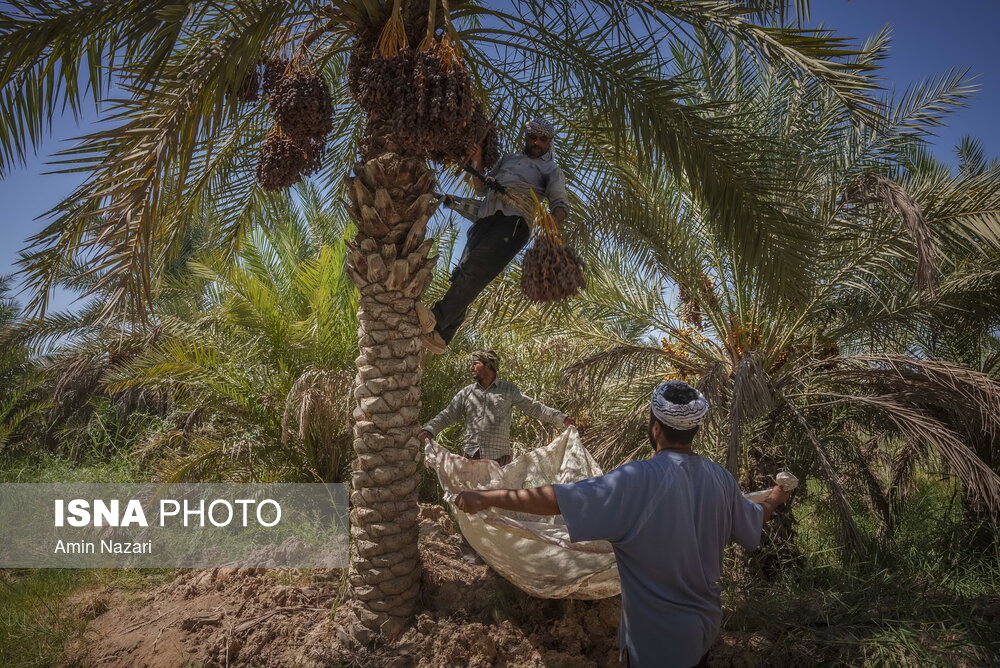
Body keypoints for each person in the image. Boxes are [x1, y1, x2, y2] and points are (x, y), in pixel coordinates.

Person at [454, 380, 791, 667]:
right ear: (695, 430)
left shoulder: (637, 480)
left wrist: (490, 497)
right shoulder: (720, 480)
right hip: (703, 631)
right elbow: (754, 520)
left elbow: (557, 498)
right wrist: (776, 496)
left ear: (655, 428)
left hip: (654, 643)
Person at [420, 117, 570, 354]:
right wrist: (477, 161)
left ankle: (436, 320)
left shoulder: (550, 170)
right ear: (526, 137)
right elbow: (481, 188)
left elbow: (560, 203)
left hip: (514, 224)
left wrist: (554, 220)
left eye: (542, 139)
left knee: (475, 270)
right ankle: (441, 337)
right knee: (464, 273)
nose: (537, 143)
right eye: (533, 137)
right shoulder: (508, 159)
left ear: (549, 142)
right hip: (487, 217)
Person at [418, 350, 575, 466]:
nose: (471, 367)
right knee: (474, 500)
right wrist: (430, 429)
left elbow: (534, 408)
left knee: (498, 501)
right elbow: (448, 414)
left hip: (499, 459)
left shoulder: (508, 390)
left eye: (475, 363)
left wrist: (562, 419)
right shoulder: (467, 392)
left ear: (488, 366)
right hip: (472, 456)